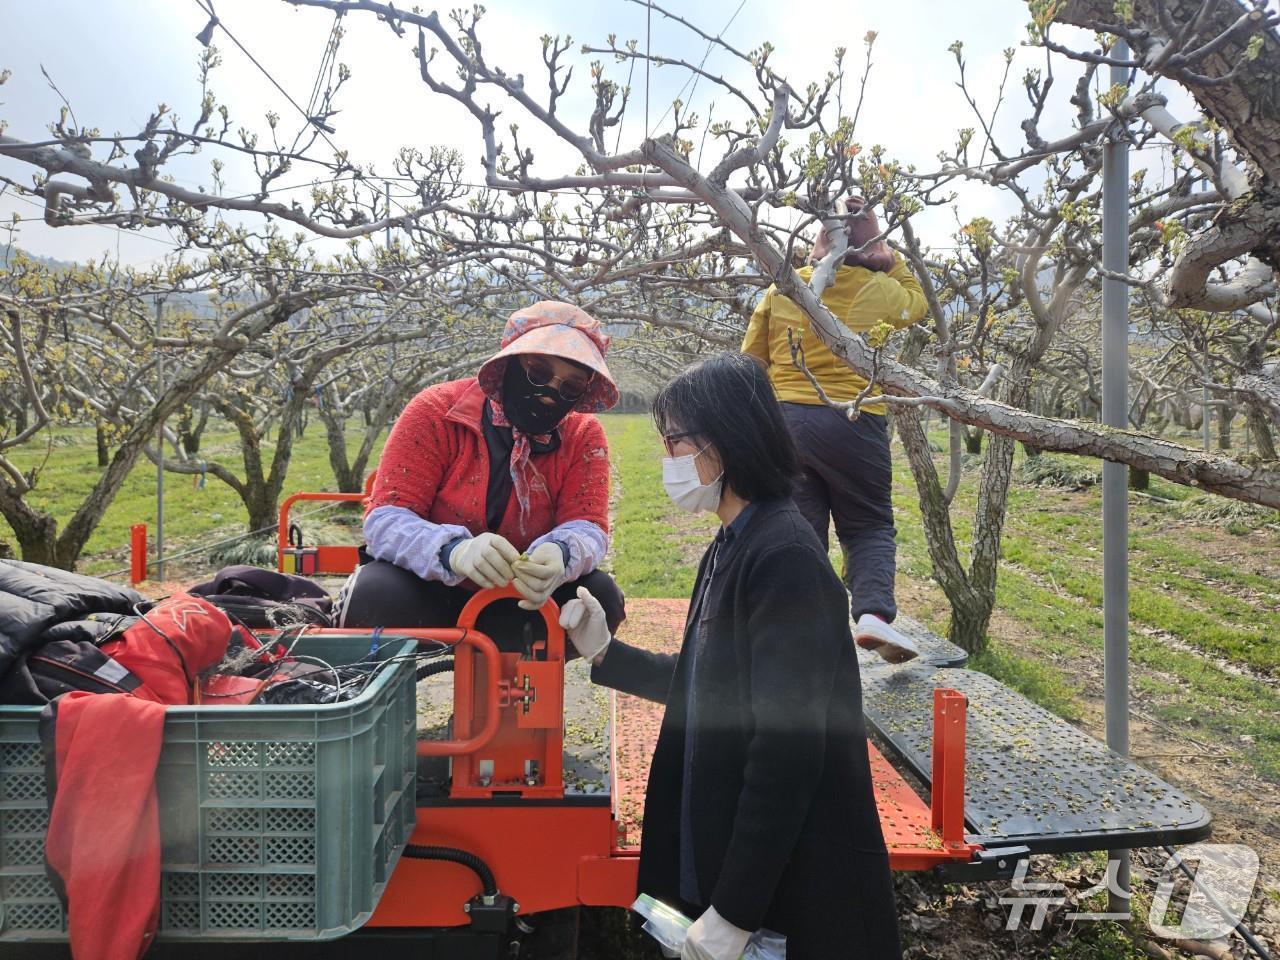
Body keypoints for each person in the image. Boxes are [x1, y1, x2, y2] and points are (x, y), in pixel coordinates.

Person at [560, 353, 902, 960]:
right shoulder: (733, 543)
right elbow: (708, 683)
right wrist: (608, 653)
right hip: (732, 857)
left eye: (674, 442)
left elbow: (786, 751)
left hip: (795, 885)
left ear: (723, 443)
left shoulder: (785, 559)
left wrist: (735, 911)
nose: (667, 459)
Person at [338, 301, 625, 644]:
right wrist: (453, 551)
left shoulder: (582, 434)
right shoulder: (435, 411)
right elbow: (386, 518)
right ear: (510, 365)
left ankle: (520, 690)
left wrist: (561, 553)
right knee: (372, 595)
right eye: (538, 373)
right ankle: (390, 691)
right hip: (431, 589)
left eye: (570, 388)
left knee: (601, 598)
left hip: (524, 596)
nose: (549, 396)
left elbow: (589, 524)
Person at [742, 198, 928, 663]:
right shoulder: (881, 290)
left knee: (801, 527)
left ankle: (804, 623)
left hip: (788, 422)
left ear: (816, 246)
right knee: (867, 524)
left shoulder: (783, 290)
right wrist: (888, 257)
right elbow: (919, 302)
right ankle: (873, 617)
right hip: (856, 419)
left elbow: (752, 359)